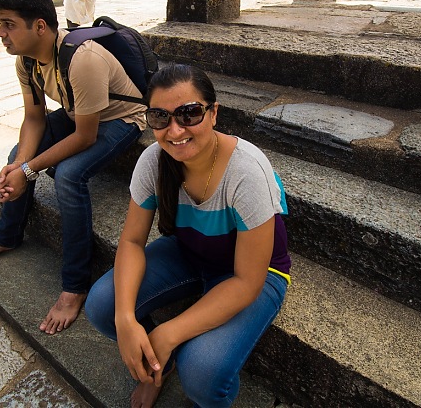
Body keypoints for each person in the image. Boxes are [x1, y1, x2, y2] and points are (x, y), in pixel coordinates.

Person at [85, 64, 291, 408]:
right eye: (160, 118)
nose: (175, 130)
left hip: (254, 273)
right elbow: (133, 241)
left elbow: (246, 282)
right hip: (189, 252)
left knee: (202, 372)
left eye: (190, 113)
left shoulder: (247, 172)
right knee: (103, 306)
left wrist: (168, 333)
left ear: (213, 113)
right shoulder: (154, 160)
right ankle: (156, 368)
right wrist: (125, 319)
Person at [0, 0, 146, 335]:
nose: (1, 33)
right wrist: (18, 165)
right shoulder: (26, 61)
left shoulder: (83, 59)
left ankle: (75, 285)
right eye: (0, 24)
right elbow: (33, 118)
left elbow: (85, 135)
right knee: (14, 156)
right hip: (78, 112)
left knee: (68, 175)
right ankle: (7, 235)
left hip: (121, 118)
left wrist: (28, 169)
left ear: (40, 26)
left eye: (9, 24)